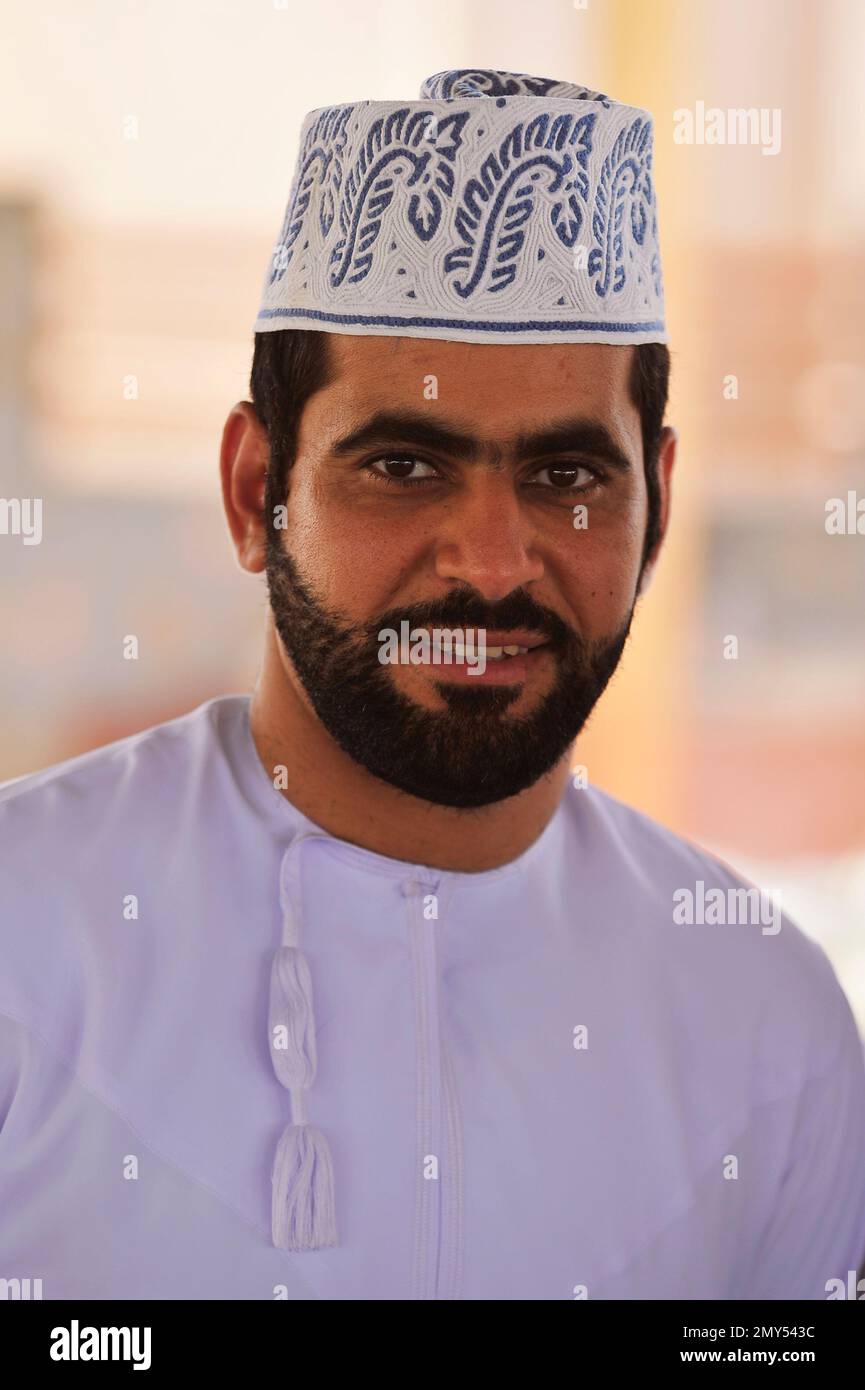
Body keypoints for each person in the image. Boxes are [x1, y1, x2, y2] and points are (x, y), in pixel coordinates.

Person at [1, 68, 864, 1302]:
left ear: (657, 512)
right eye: (404, 466)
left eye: (566, 476)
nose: (494, 564)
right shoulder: (27, 930)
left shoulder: (764, 1020)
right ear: (254, 493)